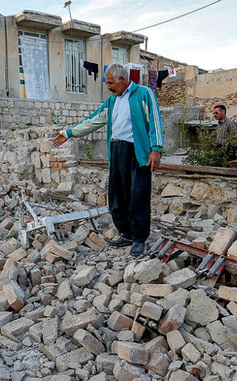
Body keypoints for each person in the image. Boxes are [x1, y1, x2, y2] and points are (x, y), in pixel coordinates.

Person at [52, 64, 164, 257]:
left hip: (138, 152)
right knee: (117, 196)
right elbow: (94, 120)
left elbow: (154, 121)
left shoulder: (143, 94)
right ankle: (126, 233)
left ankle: (138, 239)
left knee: (138, 196)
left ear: (122, 79)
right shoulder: (112, 101)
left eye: (111, 83)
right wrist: (69, 133)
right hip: (117, 150)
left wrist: (156, 149)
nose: (108, 87)